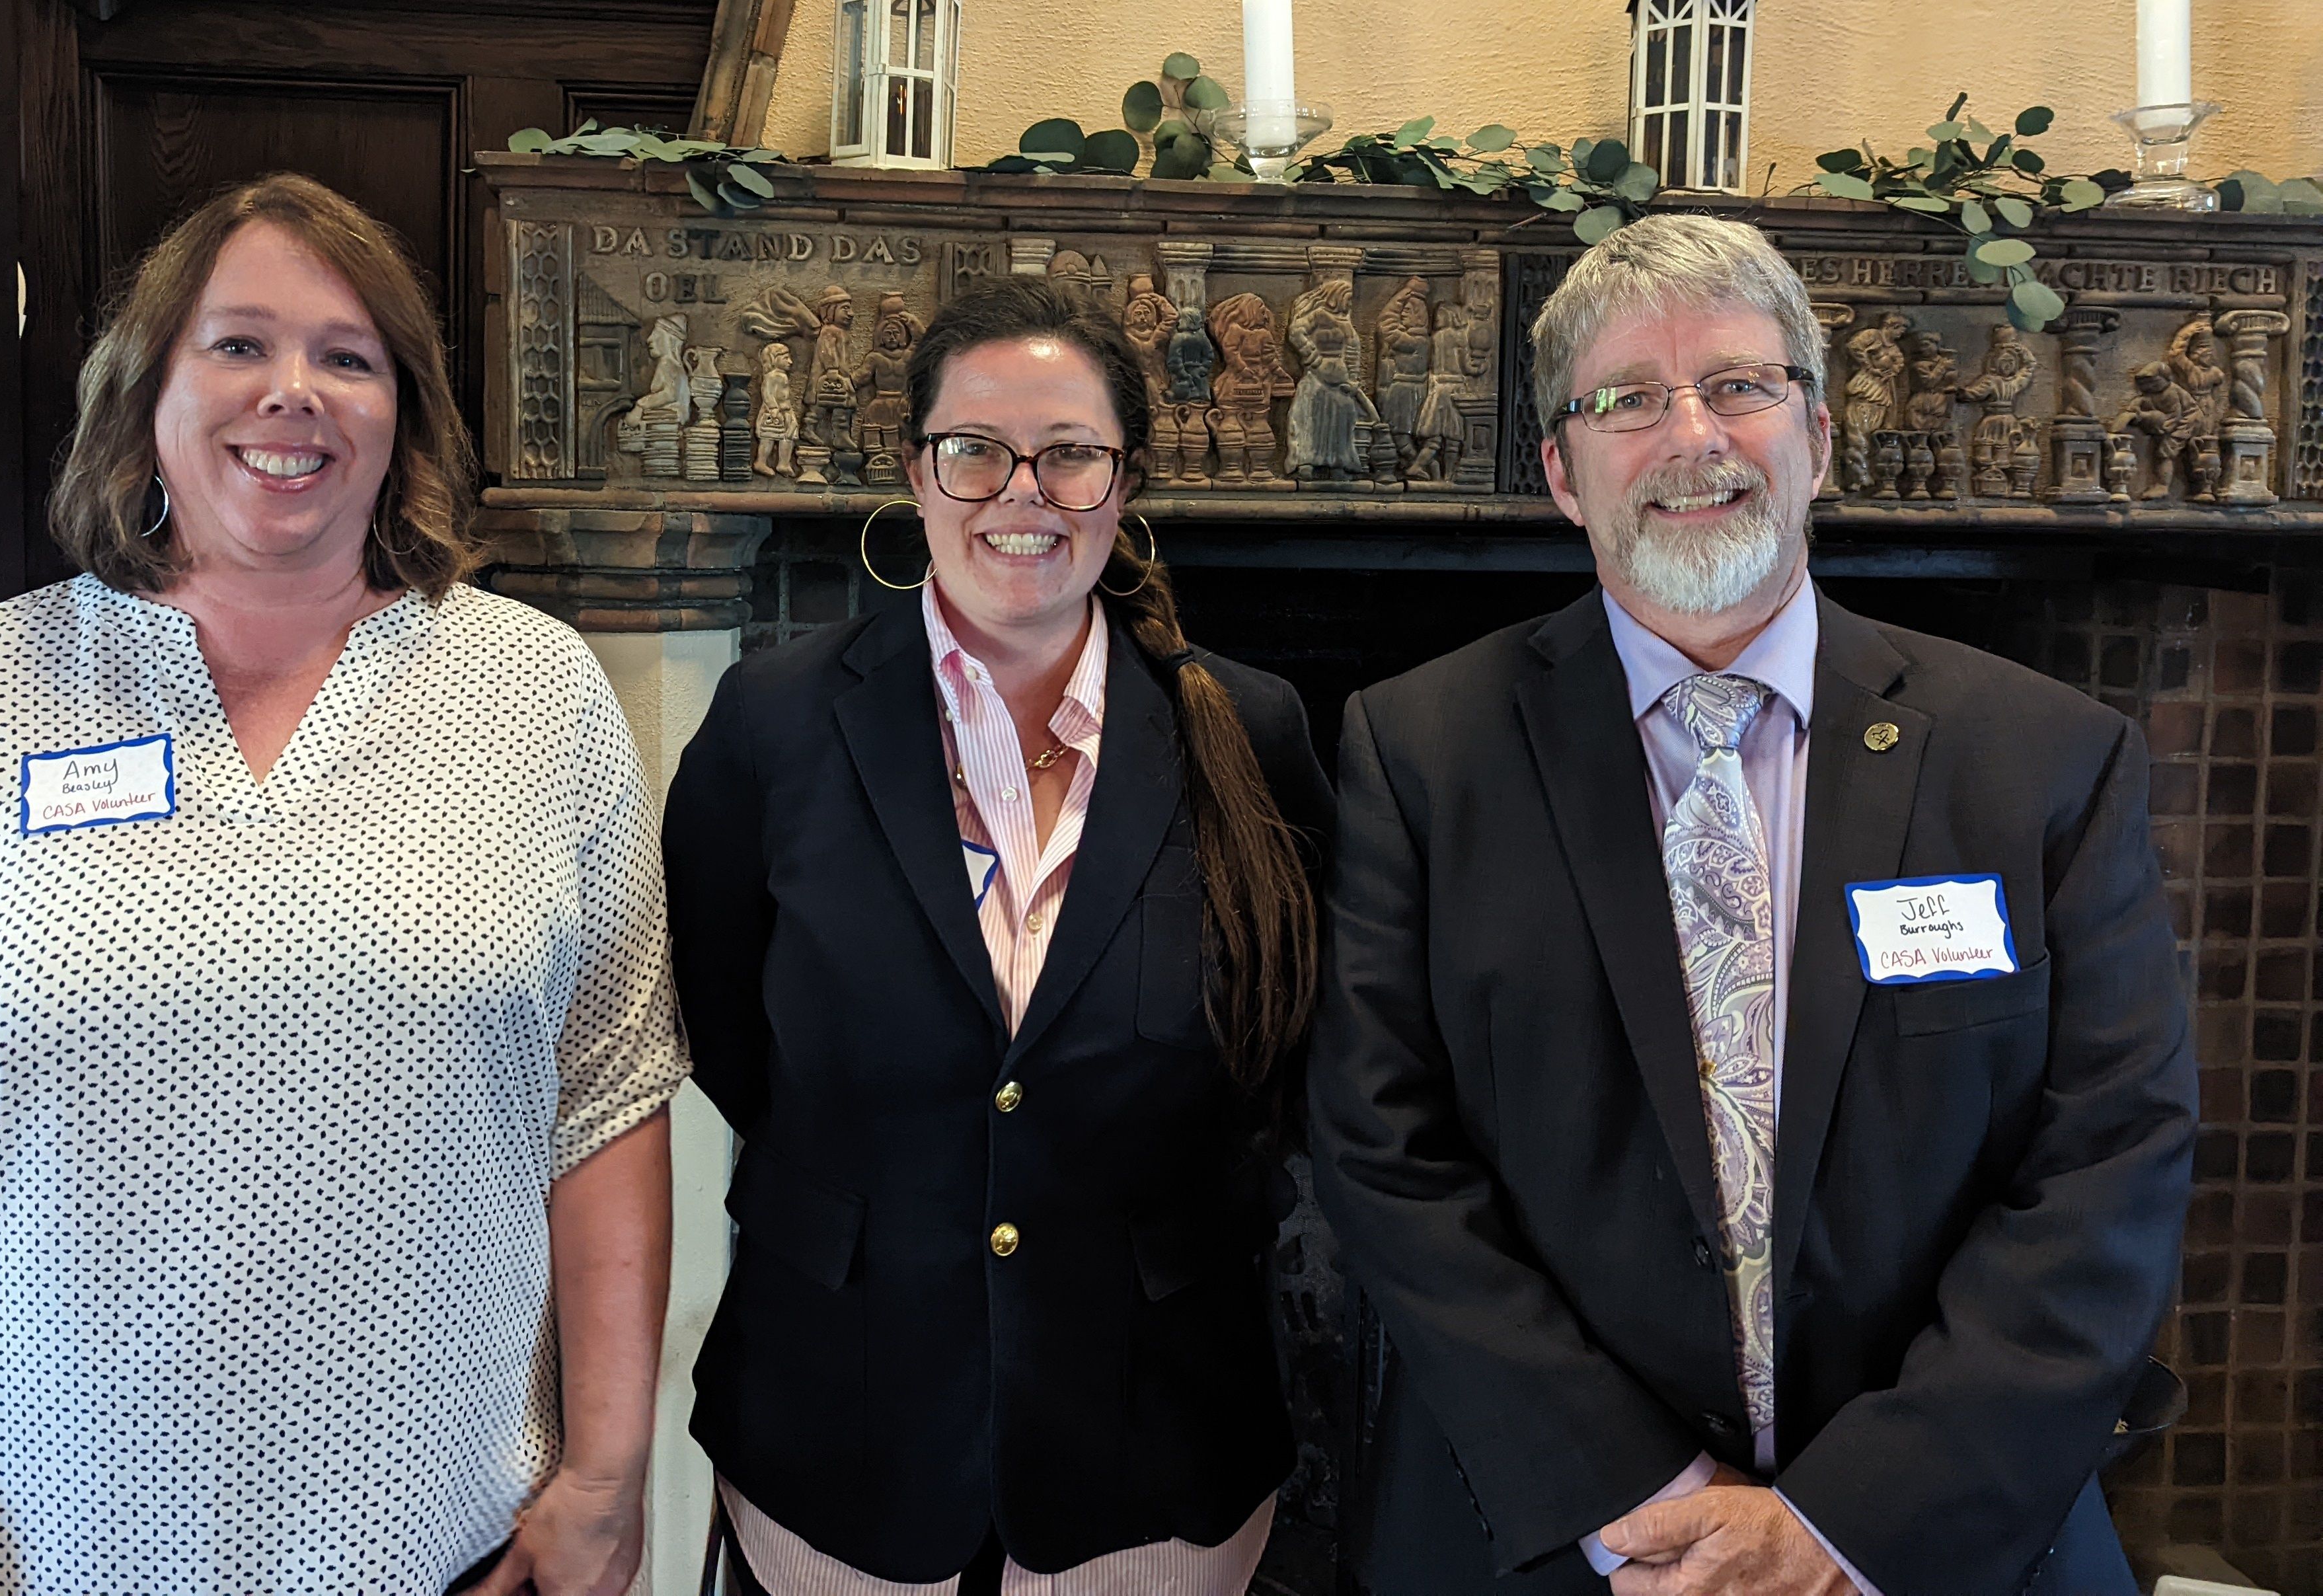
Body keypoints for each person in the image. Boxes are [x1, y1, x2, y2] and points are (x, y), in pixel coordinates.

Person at [0, 173, 687, 1596]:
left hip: (435, 1546)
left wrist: (605, 1482)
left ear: (401, 411)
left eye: (347, 358)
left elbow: (608, 1103)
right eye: (239, 345)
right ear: (145, 394)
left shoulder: (536, 693)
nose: (295, 391)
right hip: (18, 1552)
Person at [1310, 213, 2194, 1596]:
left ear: (1820, 435)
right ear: (1559, 469)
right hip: (1564, 1536)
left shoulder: (2045, 761)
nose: (1692, 436)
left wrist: (1850, 1522)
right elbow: (1382, 1150)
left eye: (1738, 384)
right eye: (1627, 401)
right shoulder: (1419, 755)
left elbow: (2111, 1163)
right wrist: (1642, 1494)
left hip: (1951, 1544)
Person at [664, 277, 1334, 1593]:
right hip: (837, 1427)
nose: (1020, 493)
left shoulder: (1251, 733)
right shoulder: (774, 723)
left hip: (1154, 1441)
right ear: (915, 473)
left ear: (1123, 482)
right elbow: (729, 1033)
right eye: (974, 451)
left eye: (1070, 456)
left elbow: (1289, 1052)